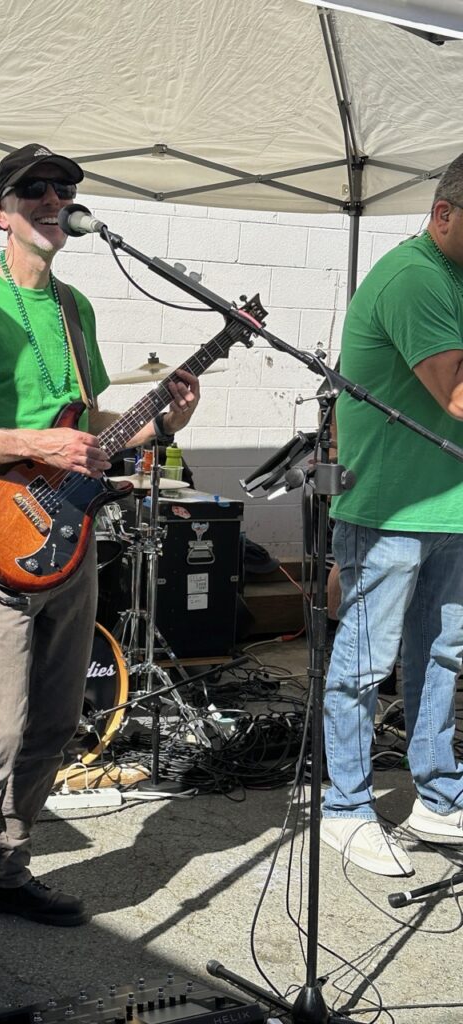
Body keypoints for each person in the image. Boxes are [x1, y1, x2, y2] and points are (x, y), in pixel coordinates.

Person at [0, 143, 200, 1001]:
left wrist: (163, 420)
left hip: (70, 542)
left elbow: (91, 430)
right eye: (33, 189)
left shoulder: (75, 309)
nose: (53, 198)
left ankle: (6, 865)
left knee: (58, 720)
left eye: (63, 188)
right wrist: (27, 442)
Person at [321, 153, 463, 877]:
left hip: (450, 508)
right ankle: (344, 807)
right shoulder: (417, 278)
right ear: (444, 215)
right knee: (365, 664)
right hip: (391, 507)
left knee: (441, 657)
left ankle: (438, 794)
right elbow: (459, 394)